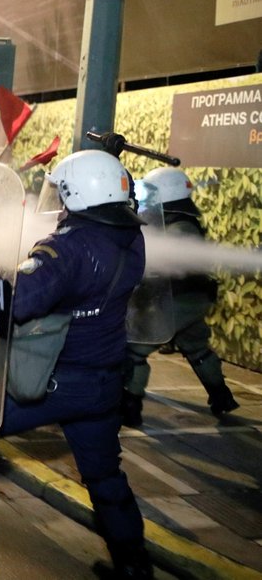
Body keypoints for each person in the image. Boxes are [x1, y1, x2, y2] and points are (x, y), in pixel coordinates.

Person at [0, 150, 154, 578]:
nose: (58, 203)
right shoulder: (132, 239)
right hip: (105, 382)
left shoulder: (66, 250)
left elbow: (16, 302)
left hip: (60, 381)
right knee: (104, 475)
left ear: (79, 194)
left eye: (63, 194)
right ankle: (134, 566)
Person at [121, 167, 238, 426]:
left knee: (134, 352)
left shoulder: (179, 227)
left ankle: (130, 408)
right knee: (197, 348)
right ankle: (221, 397)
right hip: (191, 302)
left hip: (175, 302)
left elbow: (162, 266)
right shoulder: (179, 220)